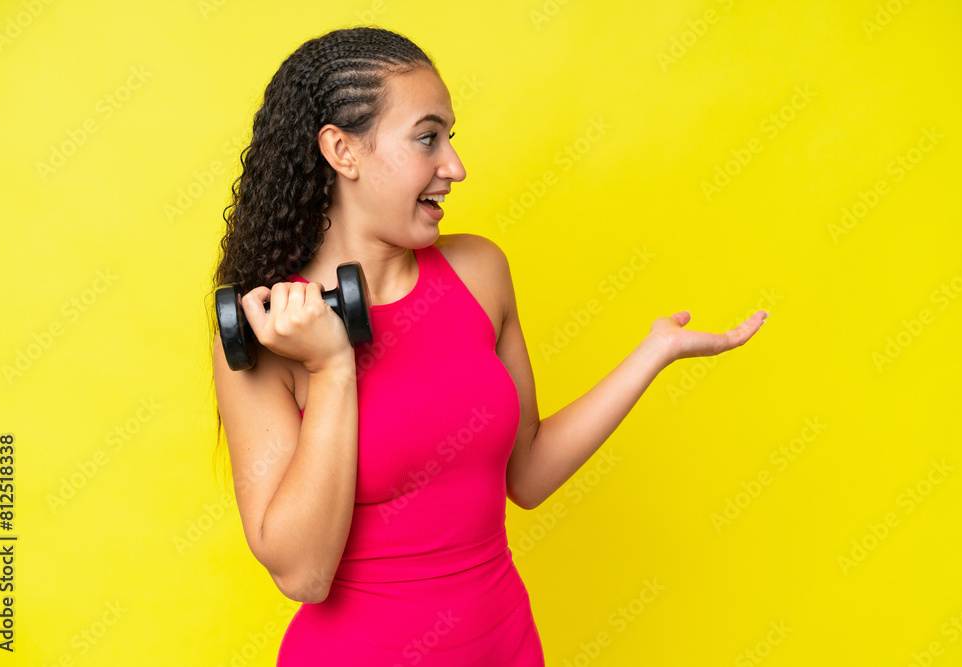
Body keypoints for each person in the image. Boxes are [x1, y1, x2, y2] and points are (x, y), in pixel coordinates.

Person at [209, 25, 768, 666]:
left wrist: (653, 352)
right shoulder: (269, 332)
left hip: (504, 645)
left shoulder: (479, 272)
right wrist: (334, 366)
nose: (455, 166)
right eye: (427, 138)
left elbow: (526, 474)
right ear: (343, 151)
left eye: (451, 137)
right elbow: (302, 575)